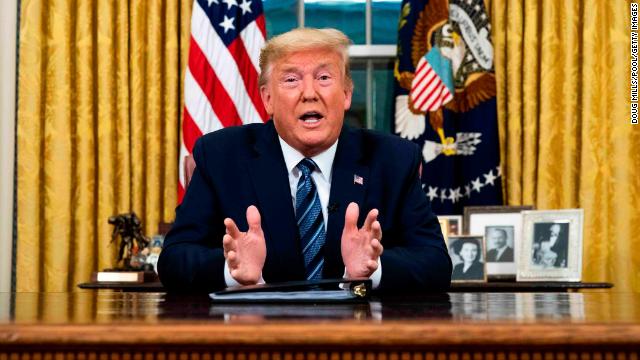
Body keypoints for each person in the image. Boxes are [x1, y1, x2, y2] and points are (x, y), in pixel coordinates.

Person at [157, 28, 452, 293]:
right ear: (268, 98)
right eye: (291, 79)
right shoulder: (221, 156)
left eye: (324, 78)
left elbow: (436, 263)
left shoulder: (393, 159)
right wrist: (231, 270)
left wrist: (374, 268)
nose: (309, 94)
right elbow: (174, 259)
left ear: (347, 94)